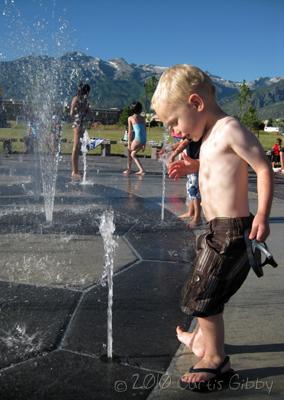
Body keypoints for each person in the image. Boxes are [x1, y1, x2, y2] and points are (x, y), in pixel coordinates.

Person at [151, 64, 273, 391]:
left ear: (196, 103)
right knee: (201, 287)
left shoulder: (231, 128)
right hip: (214, 229)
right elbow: (219, 162)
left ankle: (215, 361)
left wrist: (262, 214)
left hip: (232, 230)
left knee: (203, 294)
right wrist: (194, 164)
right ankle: (203, 338)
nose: (175, 131)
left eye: (175, 121)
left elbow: (263, 168)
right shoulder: (208, 136)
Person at [70, 82, 91, 179]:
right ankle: (74, 171)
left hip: (81, 123)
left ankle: (76, 170)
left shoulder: (81, 99)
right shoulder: (78, 99)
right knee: (76, 146)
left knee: (78, 147)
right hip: (78, 123)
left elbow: (71, 112)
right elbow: (72, 112)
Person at [123, 101, 146, 175]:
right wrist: (144, 143)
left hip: (138, 139)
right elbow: (144, 131)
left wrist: (129, 143)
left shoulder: (130, 118)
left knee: (129, 152)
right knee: (133, 154)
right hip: (143, 139)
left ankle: (129, 169)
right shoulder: (143, 118)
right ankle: (141, 170)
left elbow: (129, 132)